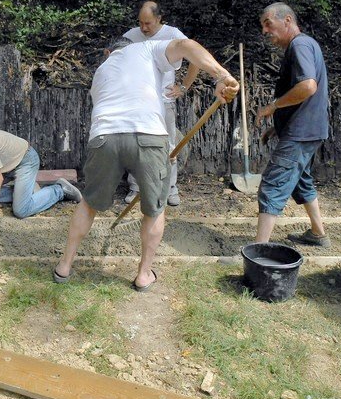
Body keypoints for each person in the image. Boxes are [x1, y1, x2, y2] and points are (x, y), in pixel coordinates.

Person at [53, 37, 238, 291]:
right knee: (154, 210)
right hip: (149, 136)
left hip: (104, 137)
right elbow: (186, 45)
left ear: (109, 52)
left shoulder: (101, 72)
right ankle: (143, 274)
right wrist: (221, 75)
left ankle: (64, 266)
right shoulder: (146, 47)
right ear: (129, 45)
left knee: (89, 203)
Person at [255, 2, 331, 247]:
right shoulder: (305, 45)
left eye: (268, 23)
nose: (265, 31)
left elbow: (308, 86)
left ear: (287, 20)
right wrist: (278, 126)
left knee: (272, 184)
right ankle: (318, 234)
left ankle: (258, 248)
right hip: (305, 129)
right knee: (301, 180)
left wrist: (274, 106)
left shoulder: (299, 45)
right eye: (262, 26)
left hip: (302, 131)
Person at [121, 1, 200, 206]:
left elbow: (196, 58)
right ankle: (136, 186)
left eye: (148, 23)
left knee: (168, 145)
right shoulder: (131, 36)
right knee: (136, 145)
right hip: (137, 104)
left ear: (159, 19)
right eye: (140, 23)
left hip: (164, 101)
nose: (143, 28)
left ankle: (170, 187)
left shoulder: (174, 35)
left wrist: (183, 87)